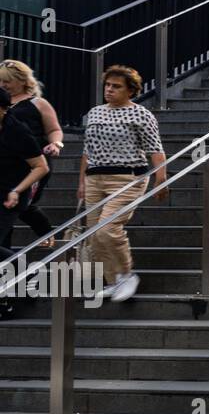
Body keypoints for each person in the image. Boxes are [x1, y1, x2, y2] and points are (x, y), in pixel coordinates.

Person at [79, 65, 168, 303]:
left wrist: (161, 179)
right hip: (95, 177)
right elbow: (88, 150)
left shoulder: (140, 114)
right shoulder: (95, 113)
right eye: (107, 85)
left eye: (116, 86)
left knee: (108, 229)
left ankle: (127, 275)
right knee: (94, 234)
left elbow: (154, 148)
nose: (109, 90)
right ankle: (114, 280)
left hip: (127, 177)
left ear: (130, 90)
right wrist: (82, 182)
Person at [0, 60, 64, 246]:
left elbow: (54, 129)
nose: (4, 85)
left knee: (21, 202)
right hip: (7, 163)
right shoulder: (2, 101)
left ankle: (45, 232)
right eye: (1, 81)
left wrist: (56, 144)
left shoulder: (38, 103)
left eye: (8, 81)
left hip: (33, 162)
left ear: (22, 81)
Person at [0, 89, 50, 320]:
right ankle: (25, 275)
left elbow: (41, 167)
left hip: (12, 195)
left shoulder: (17, 131)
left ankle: (14, 291)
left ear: (3, 109)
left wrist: (17, 191)